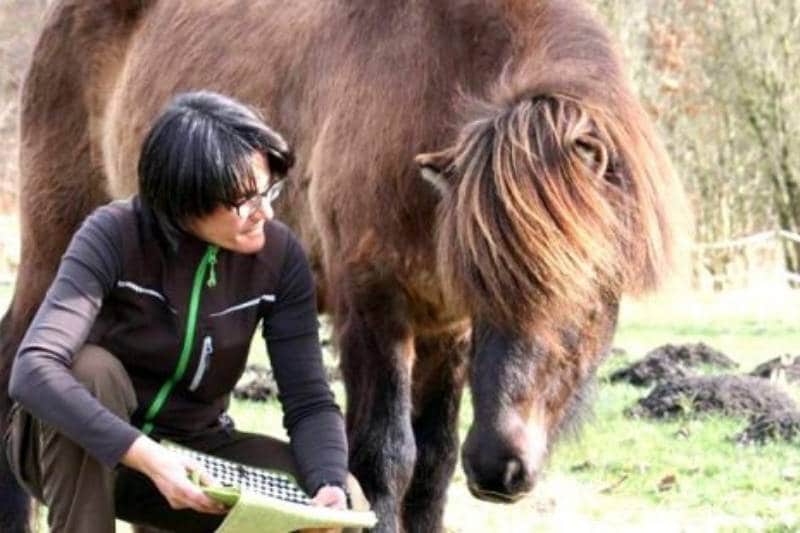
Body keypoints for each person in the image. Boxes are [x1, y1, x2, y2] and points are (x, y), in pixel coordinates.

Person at [4, 91, 365, 532]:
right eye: (244, 201)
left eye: (269, 189)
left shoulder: (280, 258)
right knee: (89, 370)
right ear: (183, 201)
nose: (265, 212)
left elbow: (309, 401)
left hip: (195, 453)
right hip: (77, 451)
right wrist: (144, 454)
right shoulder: (112, 235)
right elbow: (33, 368)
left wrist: (327, 481)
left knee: (338, 503)